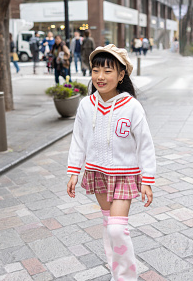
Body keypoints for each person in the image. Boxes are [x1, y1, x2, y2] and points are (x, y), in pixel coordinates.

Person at [66, 44, 155, 281]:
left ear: (121, 74)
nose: (100, 77)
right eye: (96, 70)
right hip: (98, 173)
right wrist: (74, 171)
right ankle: (117, 274)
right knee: (109, 227)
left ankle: (126, 277)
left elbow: (145, 144)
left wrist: (147, 180)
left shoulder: (132, 107)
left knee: (117, 228)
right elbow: (78, 139)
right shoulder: (86, 105)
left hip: (125, 174)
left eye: (107, 71)